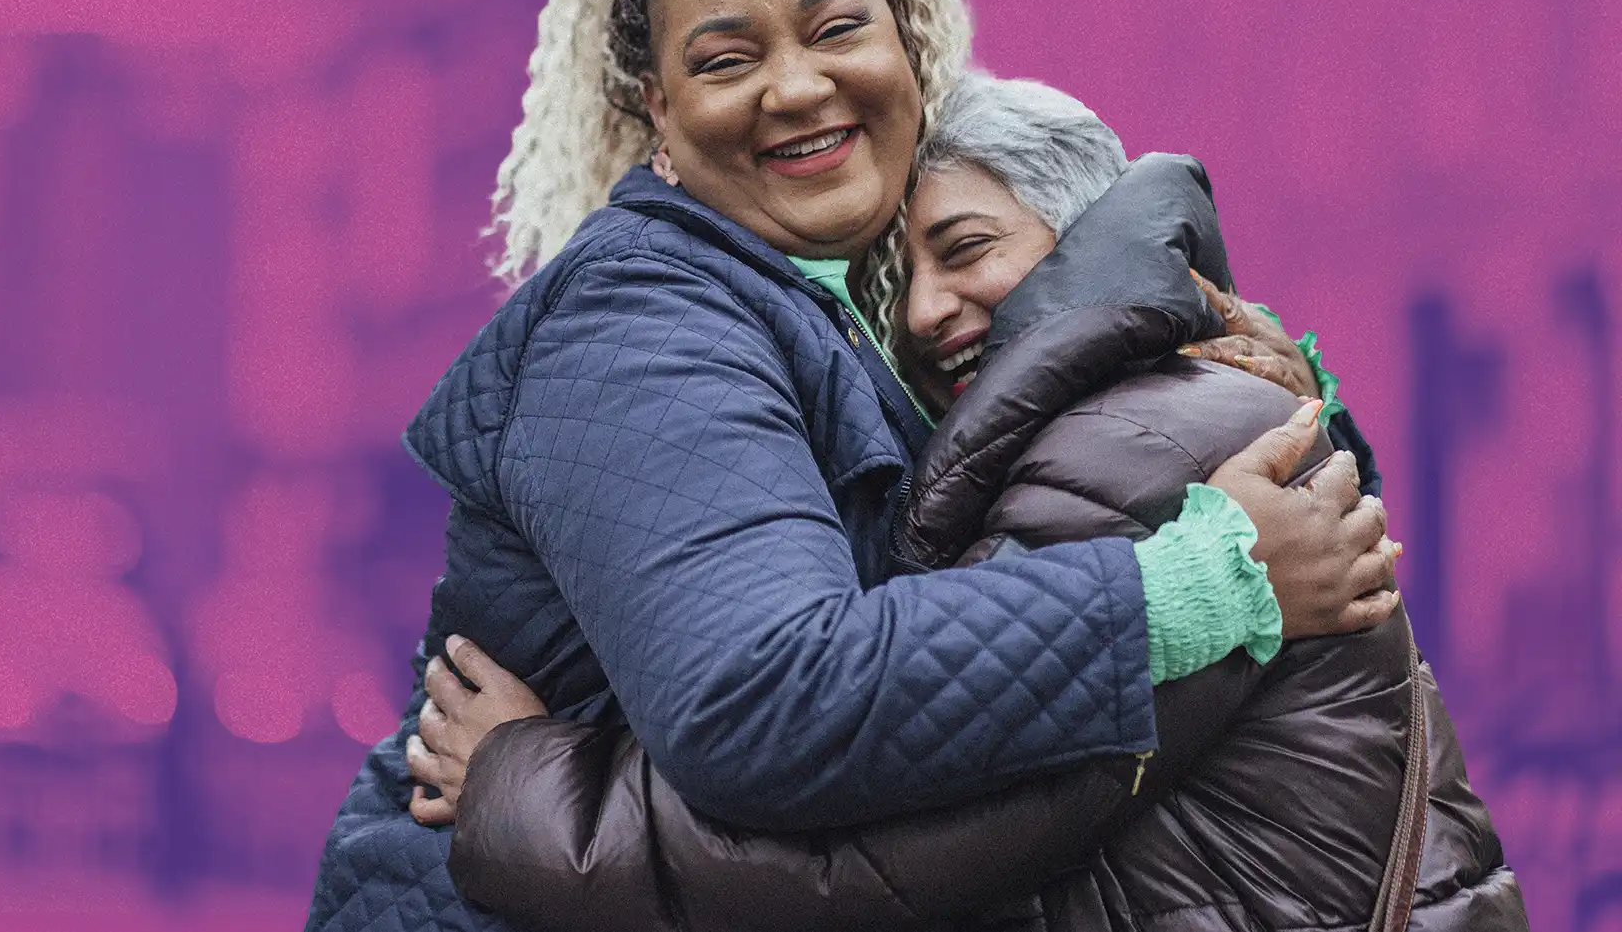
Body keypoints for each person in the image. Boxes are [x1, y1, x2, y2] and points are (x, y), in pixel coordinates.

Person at [303, 0, 1397, 932]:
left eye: (835, 29)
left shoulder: (839, 313)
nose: (794, 86)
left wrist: (529, 779)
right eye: (727, 60)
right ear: (658, 119)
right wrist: (1190, 591)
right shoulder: (643, 315)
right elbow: (767, 700)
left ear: (907, 46)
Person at [406, 77, 1526, 931]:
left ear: (1080, 232)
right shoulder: (1157, 412)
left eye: (968, 249)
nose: (931, 309)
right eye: (903, 282)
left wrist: (520, 781)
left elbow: (898, 833)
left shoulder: (1146, 446)